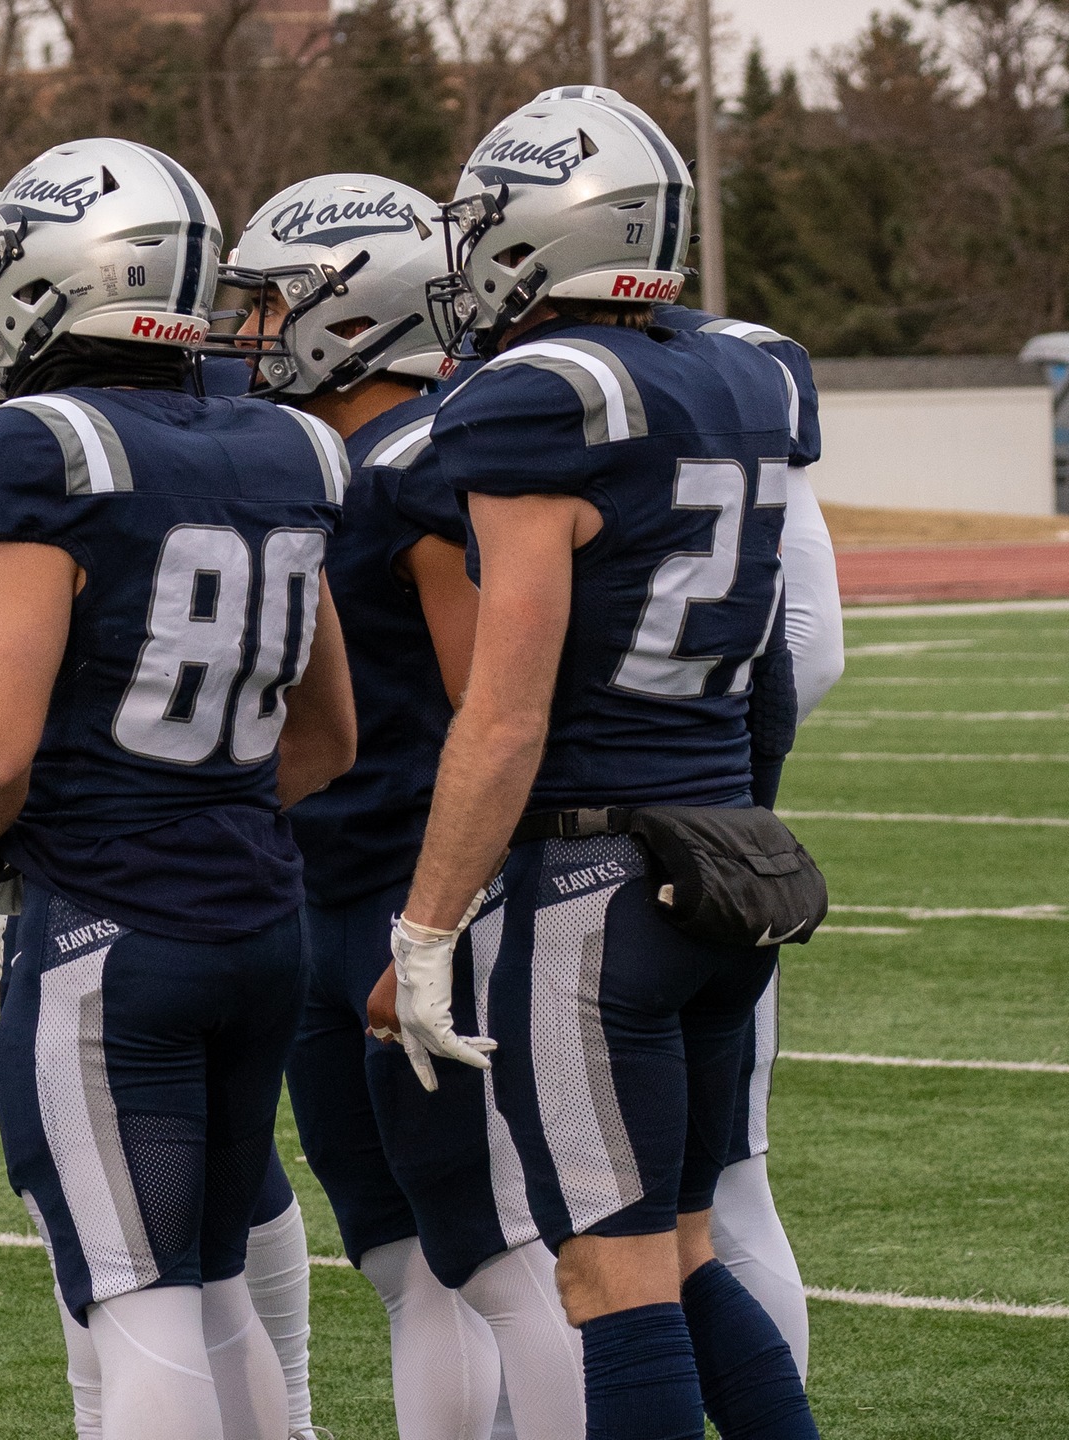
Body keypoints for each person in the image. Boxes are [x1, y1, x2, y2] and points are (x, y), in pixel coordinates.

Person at [395, 87, 822, 1440]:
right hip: (723, 867)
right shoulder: (745, 374)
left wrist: (423, 927)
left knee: (609, 1277)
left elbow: (506, 713)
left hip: (589, 886)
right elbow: (779, 661)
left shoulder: (540, 399)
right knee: (688, 1257)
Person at [0, 137, 357, 1440]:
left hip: (114, 936)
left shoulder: (42, 445)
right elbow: (329, 733)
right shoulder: (284, 444)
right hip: (258, 924)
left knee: (139, 1292)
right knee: (215, 1281)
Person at [220, 172, 588, 1439]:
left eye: (273, 306)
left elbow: (492, 707)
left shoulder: (427, 465)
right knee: (398, 1253)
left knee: (485, 1250)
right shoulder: (328, 457)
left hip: (416, 896)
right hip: (324, 890)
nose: (252, 331)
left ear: (352, 306)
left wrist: (444, 916)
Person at [651, 298, 841, 1380]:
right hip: (695, 836)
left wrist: (707, 786)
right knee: (711, 1190)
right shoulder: (739, 362)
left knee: (708, 1190)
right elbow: (805, 649)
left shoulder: (732, 360)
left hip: (630, 843)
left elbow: (808, 646)